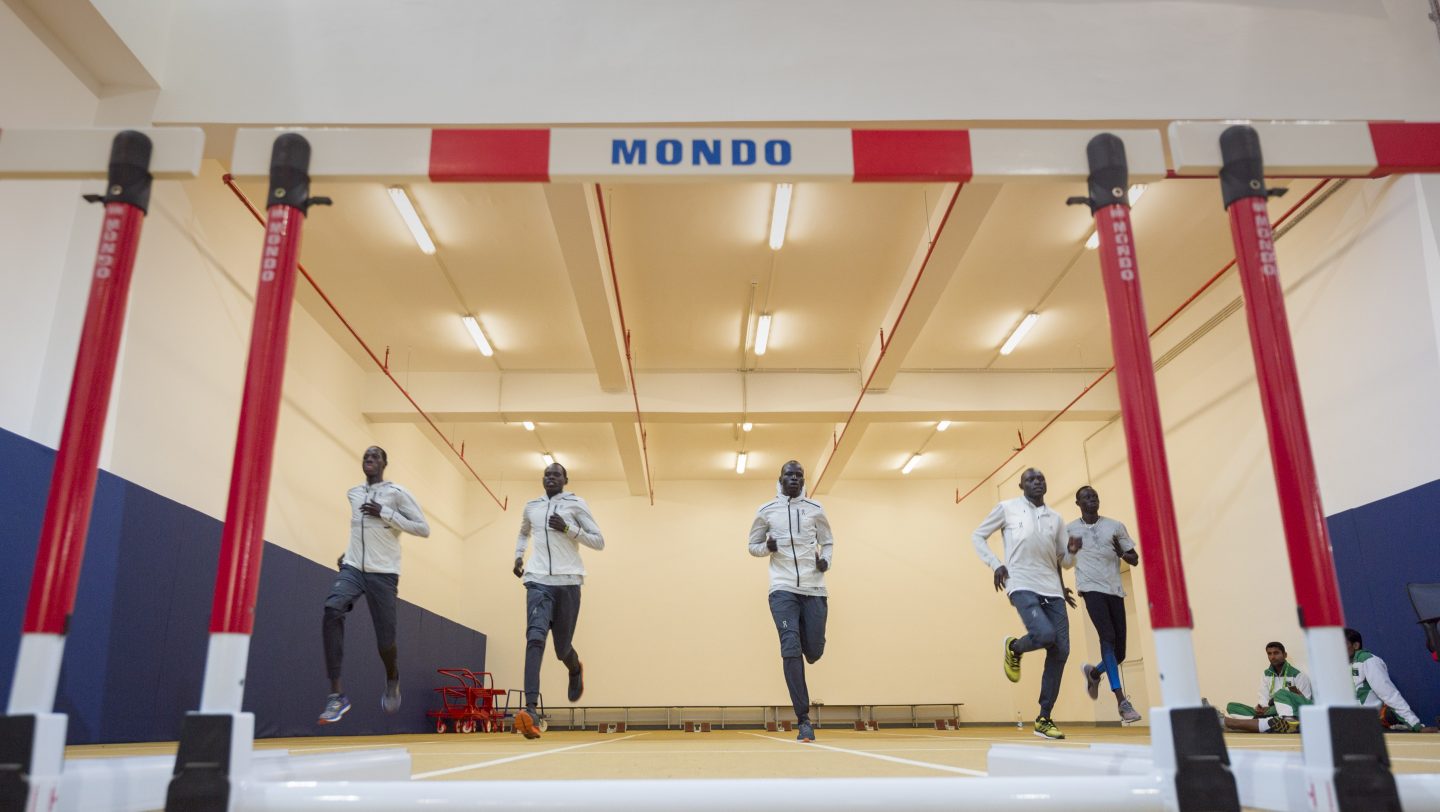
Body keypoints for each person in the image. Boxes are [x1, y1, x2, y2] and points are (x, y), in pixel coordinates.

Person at [318, 446, 431, 724]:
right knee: (332, 609)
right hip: (354, 567)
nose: (369, 460)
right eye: (366, 456)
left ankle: (392, 676)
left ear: (385, 463)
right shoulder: (353, 493)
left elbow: (423, 528)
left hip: (384, 574)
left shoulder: (396, 493)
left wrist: (386, 513)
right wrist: (349, 553)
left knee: (385, 641)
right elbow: (359, 531)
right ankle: (336, 696)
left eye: (375, 457)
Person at [973, 467, 1081, 740]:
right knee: (1045, 635)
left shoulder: (1055, 518)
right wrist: (996, 564)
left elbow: (1063, 562)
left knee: (1062, 650)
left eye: (1041, 478)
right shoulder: (1007, 508)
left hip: (1053, 590)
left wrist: (1071, 551)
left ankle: (1044, 717)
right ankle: (1015, 647)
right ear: (1021, 485)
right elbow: (978, 536)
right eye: (1031, 479)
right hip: (1020, 584)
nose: (1037, 482)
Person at [511, 462, 605, 739]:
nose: (550, 477)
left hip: (568, 583)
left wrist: (568, 529)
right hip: (537, 580)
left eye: (556, 474)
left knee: (561, 648)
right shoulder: (532, 506)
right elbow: (523, 532)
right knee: (535, 638)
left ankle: (574, 668)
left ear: (565, 479)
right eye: (547, 474)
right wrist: (519, 555)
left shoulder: (576, 504)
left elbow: (599, 541)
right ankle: (530, 710)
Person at [748, 460, 834, 743]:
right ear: (781, 478)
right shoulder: (766, 511)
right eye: (789, 475)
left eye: (799, 475)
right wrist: (766, 548)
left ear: (803, 479)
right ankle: (804, 721)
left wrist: (825, 561)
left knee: (814, 651)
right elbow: (753, 546)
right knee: (790, 646)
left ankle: (813, 648)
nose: (794, 479)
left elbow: (828, 541)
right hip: (782, 589)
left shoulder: (815, 510)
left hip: (814, 589)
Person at [1067, 486, 1142, 724]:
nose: (1092, 500)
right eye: (1087, 497)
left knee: (1120, 652)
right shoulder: (1070, 530)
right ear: (1077, 503)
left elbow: (1135, 560)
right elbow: (1061, 560)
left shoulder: (1115, 526)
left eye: (1095, 496)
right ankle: (1122, 700)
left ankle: (1094, 672)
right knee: (1107, 637)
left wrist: (1122, 553)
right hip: (1090, 590)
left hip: (1114, 591)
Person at [1346, 628, 1435, 732]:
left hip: (1367, 724)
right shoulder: (1337, 665)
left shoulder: (1368, 661)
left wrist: (1416, 725)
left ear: (1355, 645)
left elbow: (1389, 695)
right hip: (1346, 724)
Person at [1220, 642, 1313, 734]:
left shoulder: (1298, 675)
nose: (1272, 657)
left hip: (1291, 712)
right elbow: (1263, 696)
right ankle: (1270, 723)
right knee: (1232, 707)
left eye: (1276, 653)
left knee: (1280, 693)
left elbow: (1304, 702)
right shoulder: (1266, 674)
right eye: (1269, 654)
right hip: (1269, 712)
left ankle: (1285, 721)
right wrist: (1262, 707)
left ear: (1285, 655)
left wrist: (1274, 706)